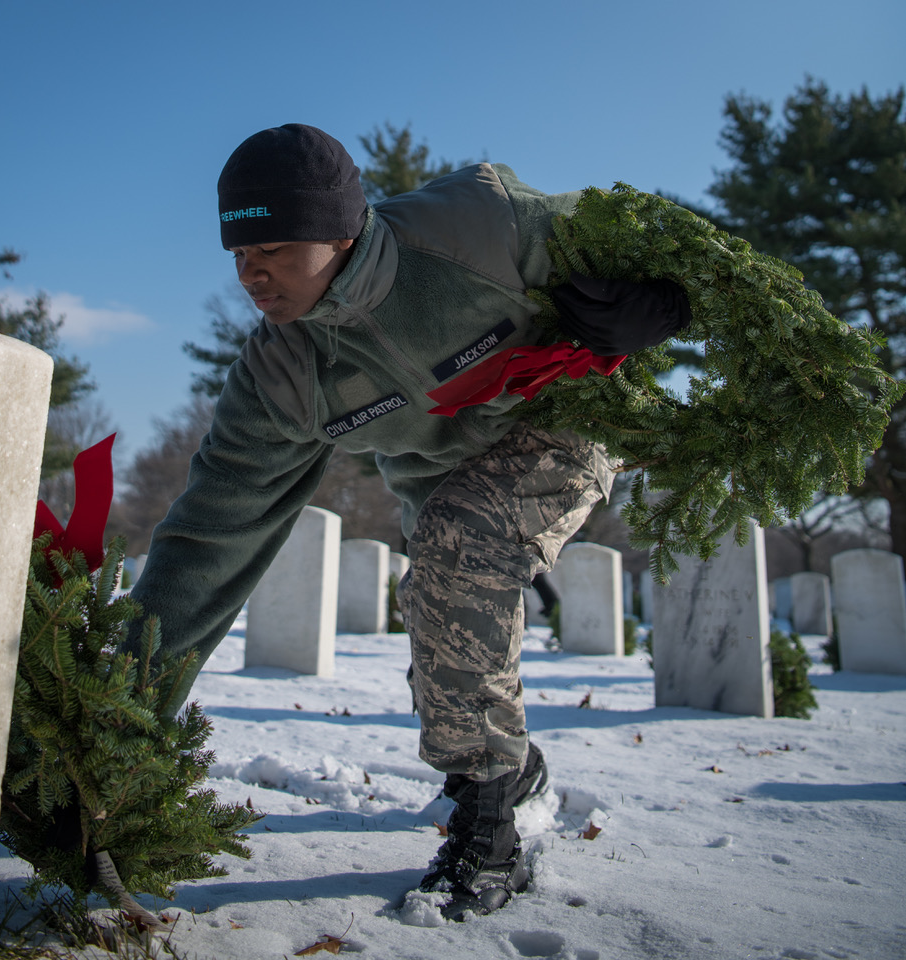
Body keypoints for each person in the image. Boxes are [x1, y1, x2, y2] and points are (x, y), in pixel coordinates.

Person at [127, 124, 688, 920]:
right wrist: (117, 705)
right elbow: (207, 541)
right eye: (238, 256)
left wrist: (662, 300)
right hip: (445, 485)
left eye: (275, 249)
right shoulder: (282, 374)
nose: (252, 276)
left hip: (564, 421)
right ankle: (506, 769)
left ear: (340, 230)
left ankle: (494, 830)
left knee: (459, 547)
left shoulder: (480, 226)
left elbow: (661, 237)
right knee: (442, 626)